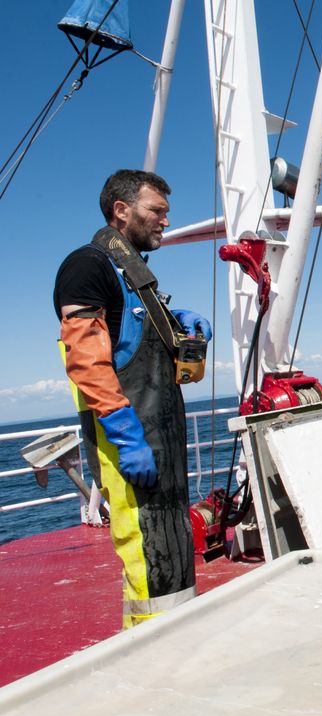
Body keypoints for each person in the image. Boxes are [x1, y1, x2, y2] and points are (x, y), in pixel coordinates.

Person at [53, 169, 212, 628]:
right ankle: (150, 651)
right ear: (121, 210)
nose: (165, 220)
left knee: (170, 553)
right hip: (131, 442)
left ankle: (176, 640)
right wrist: (126, 437)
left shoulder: (132, 274)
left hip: (159, 441)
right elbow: (86, 359)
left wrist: (174, 319)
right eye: (156, 210)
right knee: (146, 559)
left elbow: (124, 332)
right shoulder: (88, 266)